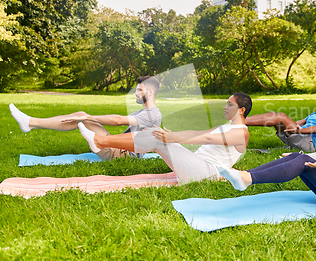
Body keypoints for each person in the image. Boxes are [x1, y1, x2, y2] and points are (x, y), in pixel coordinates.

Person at [78, 93, 252, 185]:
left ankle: (100, 141)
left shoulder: (241, 133)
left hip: (206, 174)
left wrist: (172, 138)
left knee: (158, 140)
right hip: (197, 166)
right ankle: (100, 141)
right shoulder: (227, 126)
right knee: (156, 132)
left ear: (241, 110)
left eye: (230, 104)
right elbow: (197, 133)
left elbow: (206, 138)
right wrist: (172, 136)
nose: (225, 106)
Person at [9, 76, 162, 160]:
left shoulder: (152, 114)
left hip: (124, 155)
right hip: (121, 149)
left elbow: (118, 121)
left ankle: (30, 123)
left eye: (139, 90)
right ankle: (31, 123)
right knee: (81, 116)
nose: (135, 93)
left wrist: (89, 117)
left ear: (149, 93)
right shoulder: (143, 113)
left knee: (83, 117)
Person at [244, 86, 316, 152]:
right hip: (300, 136)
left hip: (310, 144)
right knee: (274, 115)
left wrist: (299, 131)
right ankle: (242, 119)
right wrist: (285, 123)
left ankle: (240, 122)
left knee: (281, 116)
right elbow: (298, 123)